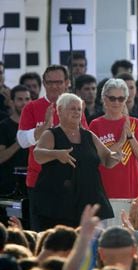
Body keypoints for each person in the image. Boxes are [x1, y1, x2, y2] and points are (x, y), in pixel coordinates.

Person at [32, 93, 120, 230]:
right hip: (59, 207)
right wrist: (56, 154)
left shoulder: (88, 135)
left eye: (79, 109)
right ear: (60, 110)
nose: (77, 112)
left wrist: (117, 156)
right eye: (72, 108)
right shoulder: (51, 134)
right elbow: (37, 154)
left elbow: (107, 160)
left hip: (89, 203)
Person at [17, 65, 89, 230]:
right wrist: (43, 130)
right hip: (39, 181)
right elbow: (21, 141)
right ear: (44, 83)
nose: (54, 86)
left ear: (67, 83)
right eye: (50, 82)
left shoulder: (76, 107)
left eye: (59, 82)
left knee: (70, 235)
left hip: (70, 183)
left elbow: (85, 140)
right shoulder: (31, 107)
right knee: (42, 234)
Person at [89, 78, 138, 199]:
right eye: (112, 98)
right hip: (104, 188)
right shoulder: (95, 124)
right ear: (104, 98)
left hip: (130, 188)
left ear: (125, 100)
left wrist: (130, 136)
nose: (116, 102)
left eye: (121, 99)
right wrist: (121, 141)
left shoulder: (134, 122)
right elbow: (98, 157)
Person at [0, 85, 30, 195]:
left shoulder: (36, 127)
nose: (24, 103)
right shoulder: (4, 126)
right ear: (12, 102)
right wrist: (19, 143)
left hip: (30, 186)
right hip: (8, 186)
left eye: (27, 99)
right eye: (20, 99)